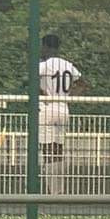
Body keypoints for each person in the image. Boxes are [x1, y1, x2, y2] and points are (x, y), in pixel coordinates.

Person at [38, 33, 80, 195]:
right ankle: (59, 189)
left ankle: (52, 191)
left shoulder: (44, 65)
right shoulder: (68, 65)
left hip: (47, 108)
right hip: (63, 108)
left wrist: (42, 93)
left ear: (45, 46)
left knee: (47, 150)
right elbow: (82, 84)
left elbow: (33, 80)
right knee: (58, 150)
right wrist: (69, 97)